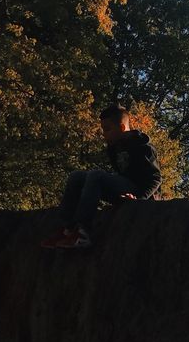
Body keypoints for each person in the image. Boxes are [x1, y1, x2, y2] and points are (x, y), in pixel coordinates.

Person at [41, 106, 162, 249]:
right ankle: (67, 229)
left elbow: (156, 178)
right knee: (77, 176)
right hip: (123, 190)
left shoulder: (143, 147)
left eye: (107, 129)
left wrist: (140, 199)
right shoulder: (113, 148)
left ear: (122, 127)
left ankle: (83, 232)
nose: (104, 134)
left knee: (96, 175)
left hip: (139, 193)